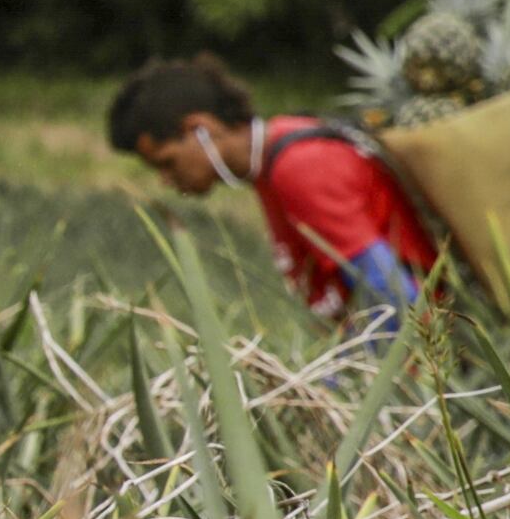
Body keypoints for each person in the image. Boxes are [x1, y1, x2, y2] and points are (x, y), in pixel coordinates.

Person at [105, 54, 440, 331]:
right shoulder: (273, 162)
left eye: (167, 163)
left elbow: (393, 296)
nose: (166, 180)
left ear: (200, 128)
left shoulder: (299, 167)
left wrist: (341, 380)